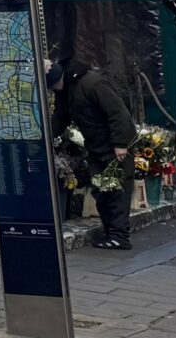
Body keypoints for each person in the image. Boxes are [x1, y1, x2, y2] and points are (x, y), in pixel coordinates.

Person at [51, 57, 138, 250]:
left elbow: (118, 113)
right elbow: (60, 117)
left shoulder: (92, 84)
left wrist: (120, 143)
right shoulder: (65, 91)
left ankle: (119, 236)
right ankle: (111, 232)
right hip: (96, 145)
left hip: (114, 147)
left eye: (53, 86)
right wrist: (45, 136)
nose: (53, 91)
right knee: (101, 190)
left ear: (60, 79)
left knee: (116, 190)